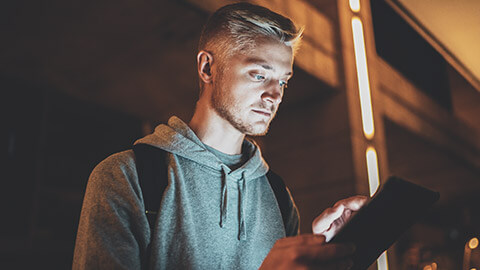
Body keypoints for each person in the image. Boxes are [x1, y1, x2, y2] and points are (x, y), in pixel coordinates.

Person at [73, 3, 367, 269]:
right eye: (259, 74)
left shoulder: (278, 196)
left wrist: (324, 253)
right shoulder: (125, 177)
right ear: (207, 67)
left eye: (283, 82)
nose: (275, 95)